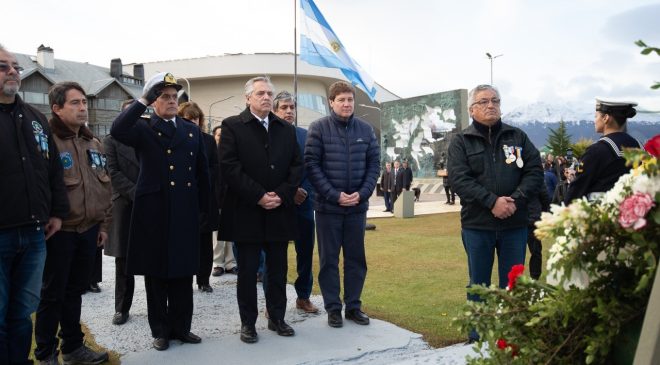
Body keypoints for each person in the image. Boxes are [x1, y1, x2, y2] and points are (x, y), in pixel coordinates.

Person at [111, 72, 210, 351]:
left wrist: (205, 209)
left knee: (183, 270)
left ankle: (182, 327)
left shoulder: (190, 130)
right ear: (153, 101)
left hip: (184, 209)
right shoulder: (143, 127)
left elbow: (202, 173)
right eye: (163, 96)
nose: (169, 101)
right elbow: (117, 130)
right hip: (153, 210)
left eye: (172, 97)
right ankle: (161, 331)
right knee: (156, 274)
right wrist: (142, 99)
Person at [447, 84, 542, 342]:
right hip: (478, 226)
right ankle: (476, 339)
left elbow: (534, 171)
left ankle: (510, 337)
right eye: (484, 101)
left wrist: (516, 201)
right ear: (472, 109)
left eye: (495, 101)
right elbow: (459, 179)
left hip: (515, 224)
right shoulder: (461, 141)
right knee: (478, 284)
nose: (491, 105)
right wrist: (492, 202)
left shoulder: (517, 137)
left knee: (512, 285)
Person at [218, 77, 302, 344]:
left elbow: (297, 166)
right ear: (248, 98)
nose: (266, 97)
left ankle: (277, 318)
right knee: (247, 273)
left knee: (277, 270)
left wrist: (281, 194)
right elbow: (229, 167)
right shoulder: (233, 126)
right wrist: (258, 196)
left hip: (278, 211)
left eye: (269, 93)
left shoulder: (285, 129)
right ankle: (248, 323)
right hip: (247, 212)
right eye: (260, 93)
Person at [33, 82, 112, 364]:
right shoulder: (47, 142)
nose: (83, 108)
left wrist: (102, 226)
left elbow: (104, 187)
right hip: (60, 231)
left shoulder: (93, 142)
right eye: (75, 103)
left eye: (83, 102)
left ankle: (73, 348)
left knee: (74, 292)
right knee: (52, 295)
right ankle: (45, 353)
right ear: (57, 108)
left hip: (88, 230)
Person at [0, 45, 69, 365]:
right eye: (3, 67)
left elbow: (53, 168)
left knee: (21, 312)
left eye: (15, 66)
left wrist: (56, 211)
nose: (13, 72)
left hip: (33, 233)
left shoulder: (35, 118)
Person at [305, 81, 380, 328]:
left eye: (350, 99)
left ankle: (354, 307)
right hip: (328, 208)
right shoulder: (318, 128)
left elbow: (374, 166)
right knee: (329, 260)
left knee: (356, 259)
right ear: (331, 102)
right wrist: (334, 195)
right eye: (341, 100)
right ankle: (333, 308)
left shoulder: (366, 130)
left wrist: (363, 193)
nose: (347, 104)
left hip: (357, 208)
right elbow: (312, 166)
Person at [272, 91, 319, 314]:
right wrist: (288, 192)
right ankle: (274, 302)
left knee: (305, 253)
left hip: (303, 204)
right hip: (277, 205)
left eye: (292, 107)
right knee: (275, 257)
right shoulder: (265, 136)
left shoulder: (306, 135)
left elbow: (313, 168)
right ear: (274, 110)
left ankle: (303, 296)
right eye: (284, 107)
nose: (289, 111)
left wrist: (306, 193)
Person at [564, 99, 643, 204]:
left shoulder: (596, 151)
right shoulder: (640, 147)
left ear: (605, 118)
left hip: (601, 216)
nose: (594, 120)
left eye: (596, 116)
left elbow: (576, 192)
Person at [103, 99, 139, 326]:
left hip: (151, 205)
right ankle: (122, 308)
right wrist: (137, 193)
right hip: (125, 205)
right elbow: (112, 172)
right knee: (123, 261)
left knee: (156, 259)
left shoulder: (151, 138)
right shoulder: (111, 141)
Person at [177, 101, 219, 293]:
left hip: (204, 197)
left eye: (196, 118)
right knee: (184, 241)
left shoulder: (208, 140)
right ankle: (184, 276)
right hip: (182, 199)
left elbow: (214, 168)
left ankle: (204, 279)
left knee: (205, 243)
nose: (193, 122)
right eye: (188, 119)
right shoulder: (175, 139)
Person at [210, 125, 238, 277]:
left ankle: (230, 263)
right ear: (214, 136)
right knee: (217, 235)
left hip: (231, 198)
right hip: (216, 198)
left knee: (230, 234)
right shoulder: (211, 153)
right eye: (219, 135)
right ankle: (218, 264)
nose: (221, 137)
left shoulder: (232, 153)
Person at [527, 170, 550, 280]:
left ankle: (533, 276)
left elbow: (545, 197)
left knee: (533, 250)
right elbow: (545, 198)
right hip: (533, 217)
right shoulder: (537, 177)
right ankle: (534, 276)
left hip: (527, 217)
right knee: (535, 250)